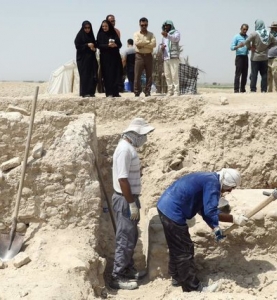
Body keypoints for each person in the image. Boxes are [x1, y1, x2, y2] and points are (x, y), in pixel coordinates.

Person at [157, 168, 249, 293]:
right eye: (230, 187)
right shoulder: (213, 184)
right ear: (226, 182)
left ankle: (177, 277)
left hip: (166, 206)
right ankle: (193, 288)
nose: (230, 190)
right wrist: (234, 219)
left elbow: (203, 209)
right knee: (184, 250)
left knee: (176, 247)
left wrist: (215, 227)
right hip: (173, 211)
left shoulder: (209, 178)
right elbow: (210, 211)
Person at [110, 118, 155, 290]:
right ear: (134, 134)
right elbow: (122, 179)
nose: (145, 139)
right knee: (125, 238)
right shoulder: (124, 150)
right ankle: (117, 276)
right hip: (125, 199)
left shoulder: (129, 148)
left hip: (130, 198)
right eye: (143, 135)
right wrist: (131, 203)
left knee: (132, 236)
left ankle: (127, 269)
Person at [236, 19, 277, 93]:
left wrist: (249, 47)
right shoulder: (268, 34)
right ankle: (264, 90)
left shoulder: (254, 34)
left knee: (254, 74)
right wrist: (268, 46)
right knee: (264, 74)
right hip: (264, 57)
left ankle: (253, 90)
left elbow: (247, 41)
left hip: (255, 58)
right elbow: (275, 42)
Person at [96, 20, 122, 97]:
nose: (104, 28)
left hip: (114, 57)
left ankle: (115, 92)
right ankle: (109, 92)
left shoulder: (113, 34)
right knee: (107, 75)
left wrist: (115, 45)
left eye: (106, 26)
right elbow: (98, 45)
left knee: (115, 74)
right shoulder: (100, 34)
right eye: (103, 26)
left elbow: (119, 44)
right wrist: (107, 45)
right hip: (105, 58)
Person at [74, 20, 98, 98]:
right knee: (85, 75)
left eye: (89, 28)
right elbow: (78, 46)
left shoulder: (91, 36)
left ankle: (91, 92)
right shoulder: (80, 36)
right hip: (83, 60)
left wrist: (94, 49)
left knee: (93, 75)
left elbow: (95, 45)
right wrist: (87, 45)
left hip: (91, 59)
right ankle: (84, 92)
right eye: (85, 28)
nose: (87, 29)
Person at [133, 17, 156, 97]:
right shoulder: (136, 34)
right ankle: (137, 91)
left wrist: (142, 44)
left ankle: (147, 91)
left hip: (148, 56)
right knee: (137, 75)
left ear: (147, 25)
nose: (144, 26)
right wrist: (147, 43)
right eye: (142, 25)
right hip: (139, 56)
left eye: (145, 25)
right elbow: (137, 43)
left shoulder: (151, 34)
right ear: (140, 24)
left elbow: (154, 44)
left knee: (149, 75)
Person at [160, 20, 181, 96]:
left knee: (174, 75)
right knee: (167, 75)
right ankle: (170, 91)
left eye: (168, 25)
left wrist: (167, 35)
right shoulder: (164, 36)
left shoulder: (176, 33)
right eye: (165, 26)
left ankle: (176, 91)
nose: (166, 27)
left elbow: (175, 39)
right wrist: (161, 47)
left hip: (173, 57)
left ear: (171, 26)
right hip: (166, 57)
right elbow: (162, 44)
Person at [230, 24, 249, 93]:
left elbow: (249, 47)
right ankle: (236, 89)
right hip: (239, 57)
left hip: (245, 57)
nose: (245, 31)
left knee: (245, 74)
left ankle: (243, 89)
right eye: (244, 29)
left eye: (246, 29)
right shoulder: (236, 37)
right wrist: (238, 46)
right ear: (240, 29)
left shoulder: (248, 37)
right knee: (238, 73)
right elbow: (231, 47)